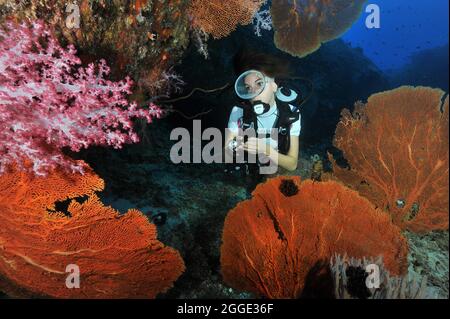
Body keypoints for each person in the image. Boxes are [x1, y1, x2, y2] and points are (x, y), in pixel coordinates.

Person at [224, 50, 302, 190]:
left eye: (259, 84)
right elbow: (225, 152)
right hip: (250, 173)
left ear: (274, 86)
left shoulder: (291, 114)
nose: (254, 94)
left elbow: (292, 164)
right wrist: (236, 147)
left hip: (277, 174)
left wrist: (266, 150)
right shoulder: (238, 112)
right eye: (248, 88)